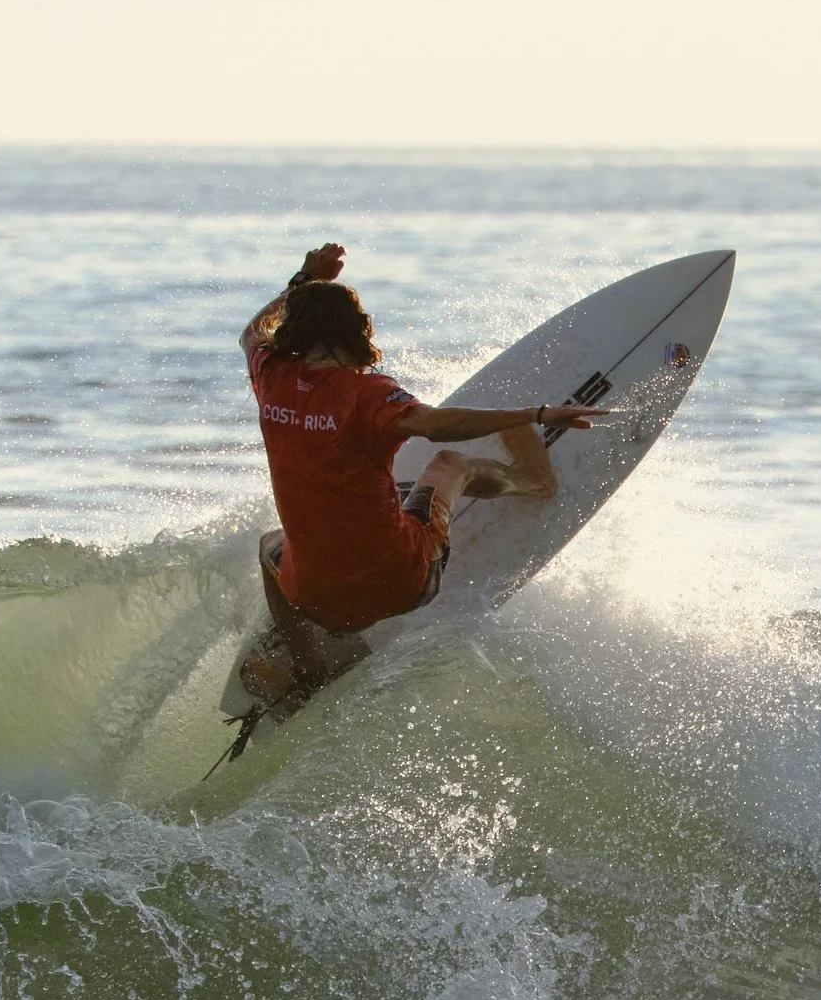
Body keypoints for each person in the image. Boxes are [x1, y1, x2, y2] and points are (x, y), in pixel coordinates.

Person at [235, 243, 604, 701]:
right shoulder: (369, 395)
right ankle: (534, 480)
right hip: (405, 582)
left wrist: (305, 278)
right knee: (451, 466)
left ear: (293, 333)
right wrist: (534, 414)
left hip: (317, 601)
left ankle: (308, 668)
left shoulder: (271, 378)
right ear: (356, 335)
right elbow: (437, 426)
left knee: (269, 547)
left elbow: (253, 331)